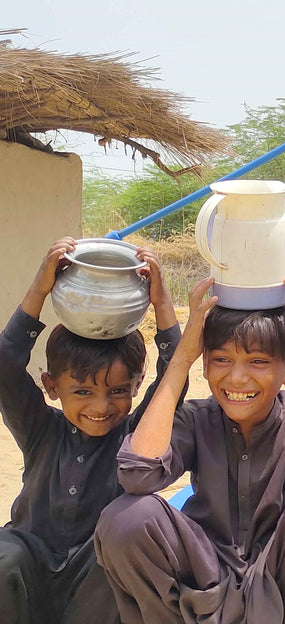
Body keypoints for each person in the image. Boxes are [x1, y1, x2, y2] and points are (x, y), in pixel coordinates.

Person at [94, 275, 285, 624]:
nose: (237, 379)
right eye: (222, 360)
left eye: (257, 362)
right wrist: (182, 358)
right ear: (206, 364)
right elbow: (138, 475)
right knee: (125, 517)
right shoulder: (198, 418)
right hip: (208, 579)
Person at [0, 237, 181, 624]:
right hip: (30, 567)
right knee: (4, 555)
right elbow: (5, 366)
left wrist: (162, 303)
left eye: (117, 391)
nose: (101, 407)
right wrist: (40, 288)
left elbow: (174, 381)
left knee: (115, 556)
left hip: (92, 584)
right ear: (51, 387)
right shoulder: (40, 430)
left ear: (138, 385)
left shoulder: (136, 437)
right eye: (82, 391)